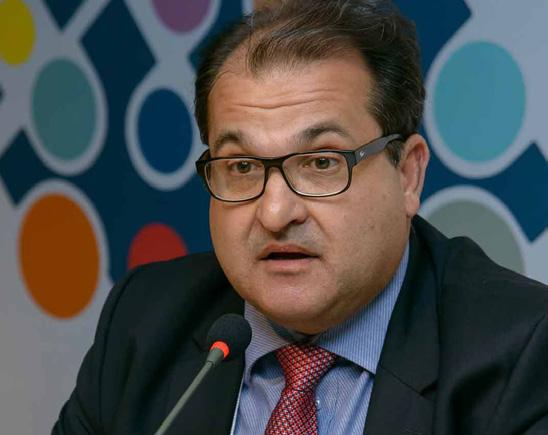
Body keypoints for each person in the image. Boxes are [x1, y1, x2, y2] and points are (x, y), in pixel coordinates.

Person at [52, 1, 548, 434]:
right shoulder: (144, 322)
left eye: (321, 163)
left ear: (408, 175)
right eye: (242, 167)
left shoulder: (524, 354)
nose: (275, 213)